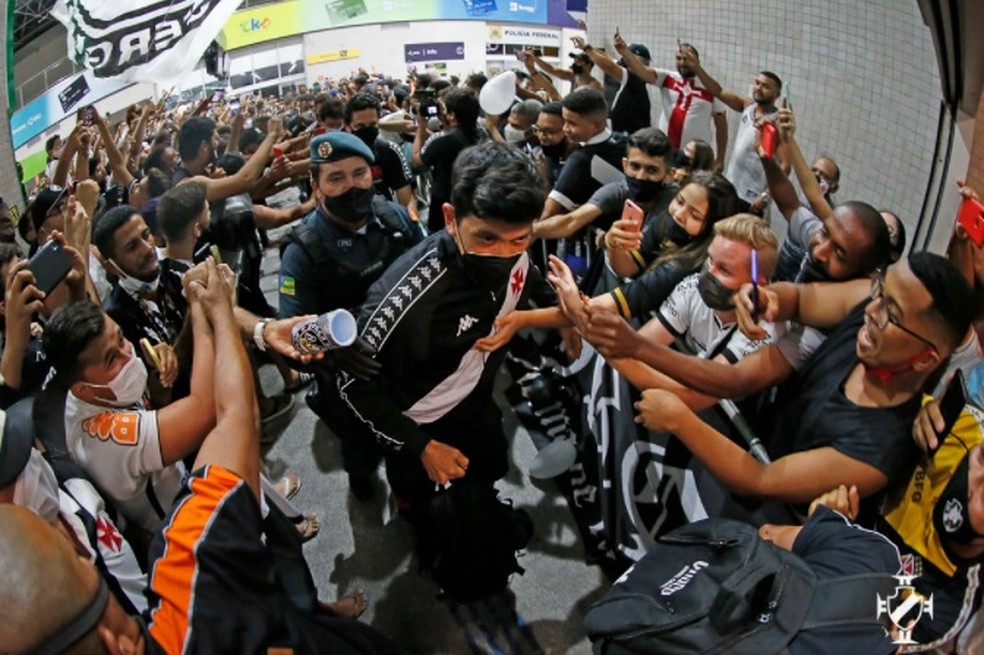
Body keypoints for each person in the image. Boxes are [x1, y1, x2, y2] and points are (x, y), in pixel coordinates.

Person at [0, 261, 401, 654]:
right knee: (272, 572)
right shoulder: (105, 437)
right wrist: (209, 311)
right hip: (187, 516)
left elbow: (159, 400)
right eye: (111, 358)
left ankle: (314, 611)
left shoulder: (92, 388)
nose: (127, 355)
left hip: (191, 490)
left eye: (122, 339)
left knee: (284, 562)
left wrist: (168, 360)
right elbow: (220, 412)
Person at [627, 252, 974, 520]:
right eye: (881, 291)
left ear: (926, 359)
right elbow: (801, 298)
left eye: (890, 313)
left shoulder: (876, 451)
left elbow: (760, 478)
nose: (872, 310)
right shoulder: (866, 308)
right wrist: (768, 299)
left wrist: (680, 419)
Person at [337, 142, 558, 523]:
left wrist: (552, 306)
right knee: (425, 515)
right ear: (451, 217)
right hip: (418, 424)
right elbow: (351, 386)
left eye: (520, 239)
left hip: (478, 403)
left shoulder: (515, 244)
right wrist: (420, 446)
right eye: (486, 239)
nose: (504, 254)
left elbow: (526, 274)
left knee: (489, 471)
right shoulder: (402, 303)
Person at [278, 132, 422, 499]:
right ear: (315, 185)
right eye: (336, 178)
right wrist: (335, 348)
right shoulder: (302, 251)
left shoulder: (391, 218)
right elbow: (293, 333)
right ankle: (362, 478)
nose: (351, 187)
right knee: (360, 449)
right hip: (346, 381)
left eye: (359, 174)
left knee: (409, 445)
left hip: (403, 367)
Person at [680, 47, 788, 207]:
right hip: (730, 185)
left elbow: (786, 166)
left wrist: (766, 196)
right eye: (757, 83)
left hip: (752, 196)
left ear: (776, 95)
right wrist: (697, 68)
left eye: (765, 86)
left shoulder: (777, 122)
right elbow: (718, 90)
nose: (758, 88)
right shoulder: (748, 106)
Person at [533, 127, 675, 242]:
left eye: (651, 170)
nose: (641, 176)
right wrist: (526, 230)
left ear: (669, 175)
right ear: (624, 165)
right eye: (635, 167)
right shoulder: (619, 191)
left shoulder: (678, 203)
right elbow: (570, 222)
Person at [616, 38, 728, 170]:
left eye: (687, 58)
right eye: (678, 58)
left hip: (694, 157)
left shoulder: (710, 87)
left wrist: (720, 158)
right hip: (665, 151)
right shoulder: (668, 78)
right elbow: (643, 71)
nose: (682, 63)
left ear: (697, 61)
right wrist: (625, 52)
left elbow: (721, 125)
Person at [413, 87, 484, 233]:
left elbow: (417, 160)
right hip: (476, 202)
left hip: (445, 203)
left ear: (452, 115)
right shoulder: (484, 135)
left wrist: (421, 126)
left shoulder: (442, 142)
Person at [344, 92, 417, 219]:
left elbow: (407, 200)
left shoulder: (388, 150)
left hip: (385, 219)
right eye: (360, 126)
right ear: (348, 126)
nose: (367, 130)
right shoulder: (337, 157)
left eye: (372, 125)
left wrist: (412, 225)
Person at [570, 35, 652, 135]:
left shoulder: (636, 79)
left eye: (627, 57)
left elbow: (608, 66)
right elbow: (608, 59)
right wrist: (589, 50)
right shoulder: (633, 77)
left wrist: (585, 47)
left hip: (632, 142)